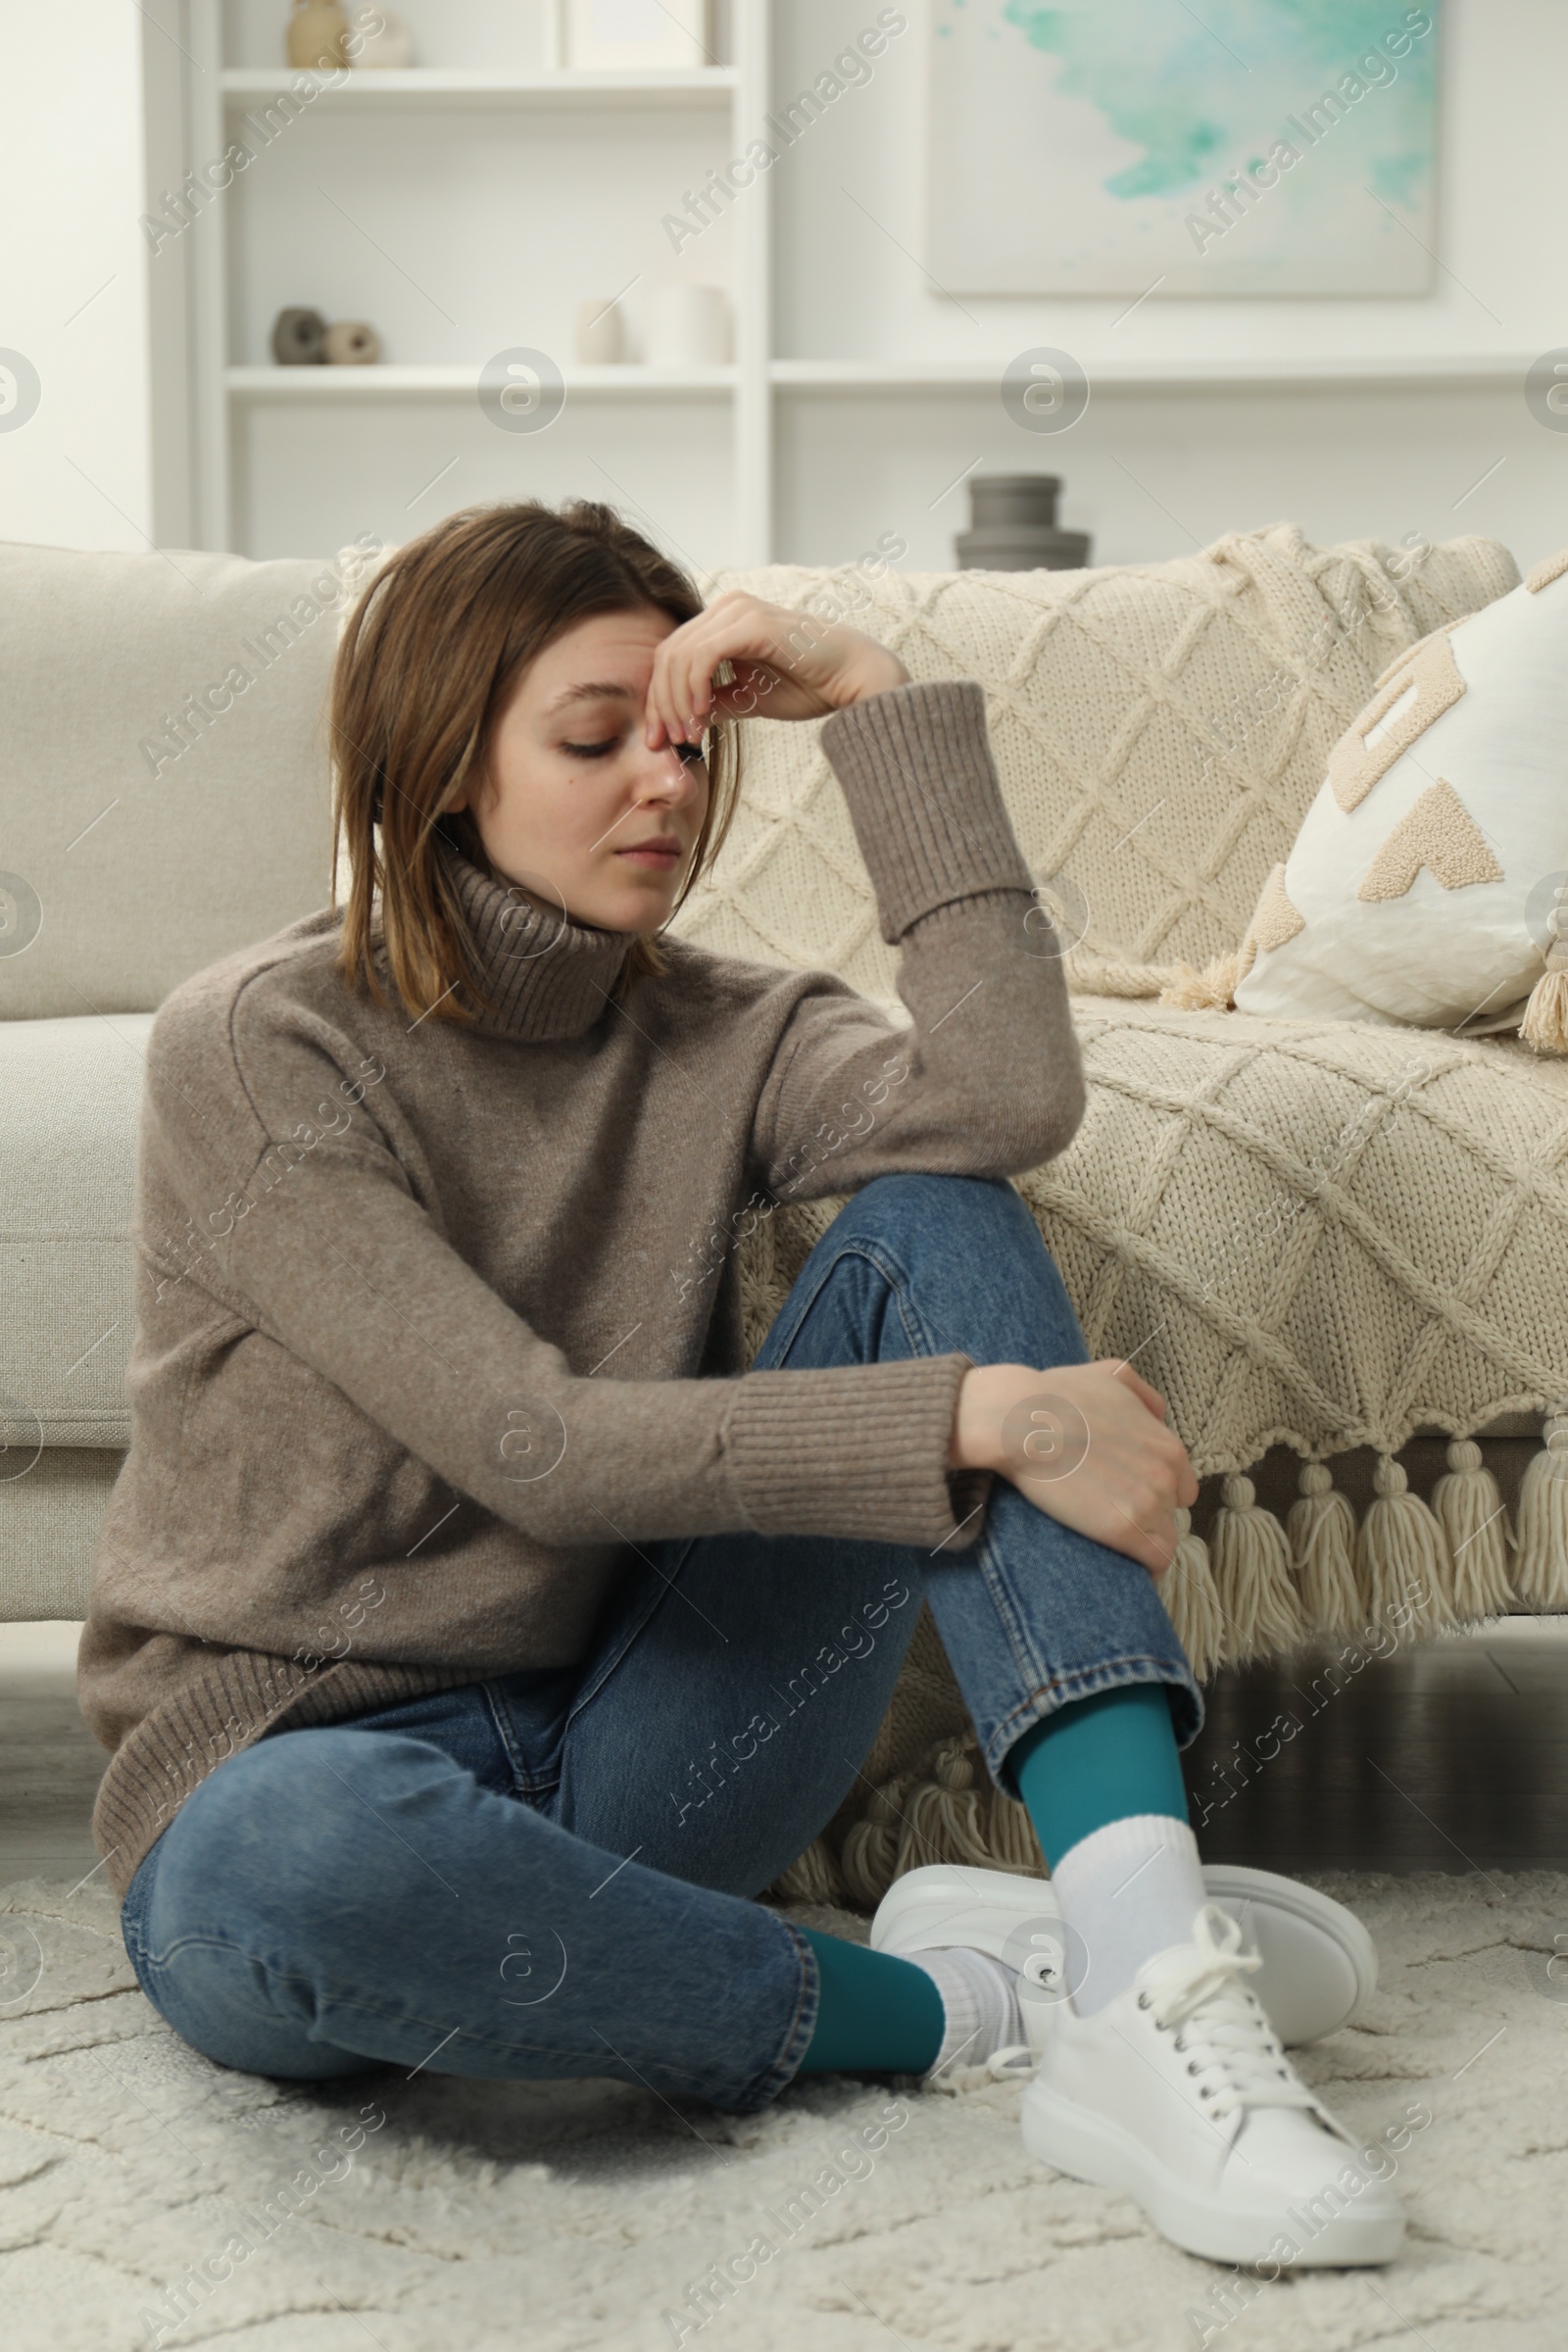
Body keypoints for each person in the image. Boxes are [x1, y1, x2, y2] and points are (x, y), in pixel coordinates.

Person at [80, 498, 1401, 2270]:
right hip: (291, 1784)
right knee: (290, 1861)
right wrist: (976, 1418)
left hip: (642, 1743)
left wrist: (878, 700)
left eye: (688, 743)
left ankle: (1148, 1959)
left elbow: (1007, 1104)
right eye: (593, 736)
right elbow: (527, 1440)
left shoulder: (729, 1029)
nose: (667, 786)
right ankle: (966, 2009)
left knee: (940, 1205)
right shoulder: (263, 1043)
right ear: (443, 760)